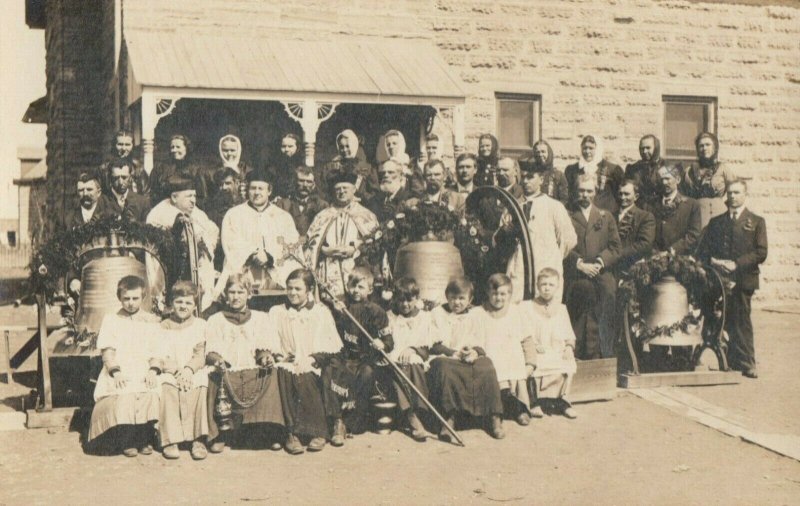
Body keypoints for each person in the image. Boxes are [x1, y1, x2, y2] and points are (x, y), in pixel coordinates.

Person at [204, 274, 285, 453]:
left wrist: (265, 357)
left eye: (240, 292)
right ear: (225, 294)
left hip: (252, 366)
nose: (236, 296)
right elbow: (211, 350)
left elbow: (264, 345)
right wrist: (218, 361)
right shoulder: (216, 320)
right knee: (214, 377)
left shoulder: (260, 318)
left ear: (249, 294)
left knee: (271, 374)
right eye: (231, 292)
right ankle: (222, 435)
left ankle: (270, 433)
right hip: (227, 369)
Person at [696, 180, 767, 379]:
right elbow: (704, 249)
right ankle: (723, 357)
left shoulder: (756, 222)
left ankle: (747, 362)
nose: (732, 196)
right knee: (716, 317)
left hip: (743, 279)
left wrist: (736, 264)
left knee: (741, 319)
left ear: (745, 194)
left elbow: (761, 252)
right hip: (718, 279)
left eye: (737, 192)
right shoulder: (717, 222)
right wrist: (713, 261)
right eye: (729, 193)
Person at [270, 269, 344, 454]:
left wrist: (312, 358)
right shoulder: (277, 311)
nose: (292, 293)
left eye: (298, 289)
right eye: (289, 288)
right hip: (287, 359)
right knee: (283, 372)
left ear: (309, 290)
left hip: (315, 359)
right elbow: (271, 340)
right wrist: (280, 356)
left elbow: (329, 344)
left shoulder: (320, 312)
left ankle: (317, 431)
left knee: (307, 374)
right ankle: (290, 433)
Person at [87, 276, 161, 457]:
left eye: (135, 298)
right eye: (126, 298)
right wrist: (116, 372)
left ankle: (143, 437)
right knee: (125, 392)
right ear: (119, 298)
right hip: (120, 368)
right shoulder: (112, 320)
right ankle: (127, 439)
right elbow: (108, 351)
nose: (130, 303)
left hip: (144, 367)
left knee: (148, 392)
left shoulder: (151, 321)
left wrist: (153, 370)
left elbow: (157, 350)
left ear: (142, 297)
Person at [427, 278, 504, 440]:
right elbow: (433, 344)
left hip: (467, 357)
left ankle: (494, 417)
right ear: (447, 297)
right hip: (445, 356)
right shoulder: (437, 314)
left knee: (487, 366)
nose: (457, 302)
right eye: (453, 298)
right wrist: (453, 353)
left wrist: (474, 352)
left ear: (470, 299)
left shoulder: (475, 315)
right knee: (443, 368)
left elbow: (481, 342)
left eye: (461, 298)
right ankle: (449, 419)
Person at [328, 267, 394, 436]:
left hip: (366, 359)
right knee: (334, 371)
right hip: (344, 356)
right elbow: (331, 333)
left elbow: (389, 341)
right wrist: (336, 313)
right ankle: (338, 420)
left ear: (370, 290)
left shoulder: (376, 311)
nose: (355, 291)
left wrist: (382, 344)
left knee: (366, 373)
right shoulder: (341, 306)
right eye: (352, 286)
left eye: (361, 287)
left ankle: (353, 422)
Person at [217, 169, 302, 297]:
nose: (256, 193)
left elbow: (291, 246)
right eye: (253, 188)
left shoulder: (283, 217)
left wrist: (269, 256)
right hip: (244, 273)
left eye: (261, 189)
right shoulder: (234, 214)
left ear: (269, 191)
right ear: (247, 190)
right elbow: (230, 243)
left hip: (275, 276)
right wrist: (252, 254)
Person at [565, 174, 621, 360]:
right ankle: (576, 352)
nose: (585, 195)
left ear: (595, 192)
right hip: (576, 271)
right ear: (575, 191)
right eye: (581, 190)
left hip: (600, 271)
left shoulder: (606, 217)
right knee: (578, 304)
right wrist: (579, 264)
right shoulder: (567, 214)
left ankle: (604, 353)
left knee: (608, 297)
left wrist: (599, 263)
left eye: (589, 191)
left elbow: (615, 247)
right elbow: (561, 243)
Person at [505, 165, 577, 303]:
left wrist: (552, 257)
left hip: (545, 268)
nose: (525, 181)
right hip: (518, 269)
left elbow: (569, 239)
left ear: (541, 179)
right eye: (523, 177)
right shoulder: (513, 206)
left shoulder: (554, 206)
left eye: (530, 177)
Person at [146, 178, 219, 311]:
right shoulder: (159, 213)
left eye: (194, 196)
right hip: (171, 272)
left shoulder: (197, 213)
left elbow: (210, 232)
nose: (193, 200)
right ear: (174, 197)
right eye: (188, 196)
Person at [157, 281, 210, 460]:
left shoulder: (201, 325)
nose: (183, 306)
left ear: (195, 306)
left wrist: (188, 370)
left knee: (202, 383)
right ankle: (170, 439)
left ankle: (198, 438)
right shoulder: (163, 326)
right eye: (179, 302)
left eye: (188, 303)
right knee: (166, 385)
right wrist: (177, 371)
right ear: (172, 303)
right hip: (171, 370)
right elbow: (161, 354)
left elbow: (200, 353)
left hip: (193, 369)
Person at [306, 171, 379, 299]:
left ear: (354, 189)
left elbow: (375, 243)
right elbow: (311, 244)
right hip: (327, 270)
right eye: (338, 189)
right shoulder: (322, 216)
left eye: (345, 188)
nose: (341, 191)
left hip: (355, 268)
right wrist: (324, 250)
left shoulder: (366, 215)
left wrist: (355, 249)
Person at [474, 274, 532, 426]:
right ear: (487, 293)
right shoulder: (479, 313)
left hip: (512, 358)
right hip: (490, 357)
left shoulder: (516, 312)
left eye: (502, 294)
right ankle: (505, 410)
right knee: (495, 368)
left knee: (513, 366)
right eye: (494, 294)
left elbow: (527, 339)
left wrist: (531, 363)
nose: (498, 298)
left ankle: (517, 406)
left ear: (510, 294)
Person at [522, 269, 578, 419]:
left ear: (557, 287)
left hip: (556, 348)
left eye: (551, 285)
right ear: (537, 286)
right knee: (535, 362)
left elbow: (569, 335)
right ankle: (535, 402)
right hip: (537, 348)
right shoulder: (527, 307)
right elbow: (523, 331)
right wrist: (532, 344)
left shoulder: (561, 309)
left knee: (568, 361)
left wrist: (568, 347)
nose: (547, 288)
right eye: (543, 284)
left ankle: (562, 402)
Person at [385, 278, 434, 442]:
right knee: (396, 369)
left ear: (416, 299)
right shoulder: (391, 317)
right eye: (401, 300)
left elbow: (427, 349)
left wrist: (412, 349)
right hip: (394, 358)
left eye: (409, 300)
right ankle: (411, 416)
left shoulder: (424, 318)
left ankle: (419, 412)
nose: (405, 304)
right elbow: (387, 341)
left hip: (416, 356)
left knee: (413, 365)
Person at [680, 132, 737, 228]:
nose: (704, 148)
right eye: (701, 146)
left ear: (714, 148)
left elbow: (735, 188)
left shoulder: (723, 169)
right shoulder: (689, 171)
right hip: (696, 216)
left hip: (719, 214)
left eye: (708, 145)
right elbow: (681, 193)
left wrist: (722, 204)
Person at [648, 165, 702, 256]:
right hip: (654, 256)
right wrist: (654, 252)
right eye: (661, 179)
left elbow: (693, 235)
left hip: (679, 258)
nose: (664, 182)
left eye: (667, 179)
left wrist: (672, 251)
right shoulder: (650, 205)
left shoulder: (691, 205)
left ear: (678, 180)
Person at [564, 134, 624, 213]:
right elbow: (569, 194)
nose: (587, 151)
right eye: (585, 148)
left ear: (597, 149)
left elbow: (620, 194)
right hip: (579, 213)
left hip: (605, 214)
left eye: (591, 148)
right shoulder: (572, 169)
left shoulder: (613, 169)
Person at [149, 134, 212, 209]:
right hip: (166, 209)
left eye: (178, 147)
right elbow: (153, 192)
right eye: (172, 147)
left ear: (186, 148)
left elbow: (202, 197)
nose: (174, 150)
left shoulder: (196, 170)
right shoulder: (161, 168)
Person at [323, 129, 378, 202]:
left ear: (354, 145)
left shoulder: (367, 168)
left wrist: (362, 197)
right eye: (341, 147)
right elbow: (324, 191)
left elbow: (375, 195)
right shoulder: (330, 167)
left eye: (347, 146)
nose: (344, 150)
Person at [276, 167, 329, 240]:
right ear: (294, 182)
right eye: (301, 181)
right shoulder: (282, 204)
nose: (305, 185)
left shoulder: (322, 205)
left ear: (313, 185)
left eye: (309, 182)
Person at [615, 179, 656, 273]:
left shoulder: (645, 217)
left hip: (631, 267)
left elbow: (644, 245)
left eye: (626, 194)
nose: (622, 197)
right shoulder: (610, 216)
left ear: (636, 196)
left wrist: (617, 254)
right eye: (620, 193)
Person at [99, 130, 149, 196]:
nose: (124, 148)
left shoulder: (138, 168)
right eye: (120, 144)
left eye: (127, 145)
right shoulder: (104, 169)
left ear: (132, 146)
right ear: (114, 146)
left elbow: (145, 193)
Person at [519, 140, 569, 205]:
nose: (540, 155)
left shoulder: (558, 175)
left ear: (549, 153)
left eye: (543, 152)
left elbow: (564, 199)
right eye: (537, 152)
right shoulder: (529, 175)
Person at [624, 134, 665, 207]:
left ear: (656, 148)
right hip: (639, 209)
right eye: (642, 148)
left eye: (648, 148)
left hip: (660, 209)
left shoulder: (666, 166)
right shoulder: (632, 169)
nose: (644, 151)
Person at [383, 129, 424, 195]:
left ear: (401, 144)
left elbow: (418, 190)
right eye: (388, 144)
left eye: (394, 143)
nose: (391, 147)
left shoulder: (411, 164)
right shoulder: (386, 167)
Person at [213, 134, 252, 200]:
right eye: (225, 150)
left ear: (238, 150)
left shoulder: (247, 170)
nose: (229, 154)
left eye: (232, 150)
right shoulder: (214, 171)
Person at [268, 133, 306, 200]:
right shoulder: (273, 168)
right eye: (283, 146)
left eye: (290, 146)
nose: (286, 149)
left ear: (297, 148)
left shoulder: (303, 167)